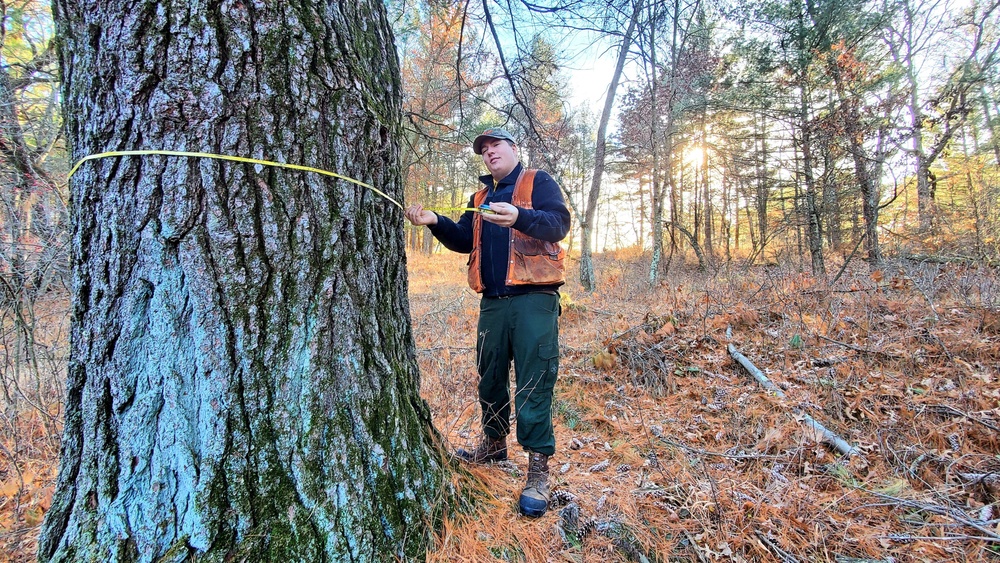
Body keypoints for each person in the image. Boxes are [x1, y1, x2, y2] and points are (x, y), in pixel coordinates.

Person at [404, 127, 571, 518]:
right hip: (492, 304)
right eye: (484, 150)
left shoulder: (536, 181)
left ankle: (537, 471)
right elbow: (464, 238)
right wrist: (434, 221)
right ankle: (494, 445)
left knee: (534, 379)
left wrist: (520, 217)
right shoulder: (479, 197)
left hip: (534, 300)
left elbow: (558, 224)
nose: (489, 152)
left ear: (514, 149)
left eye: (496, 145)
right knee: (490, 375)